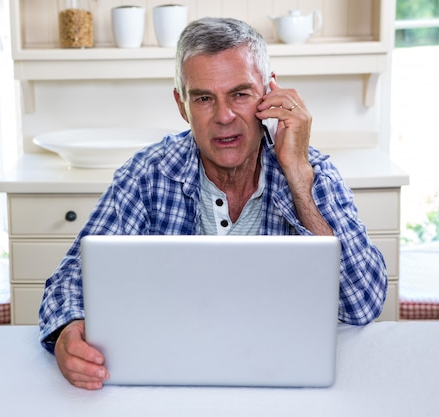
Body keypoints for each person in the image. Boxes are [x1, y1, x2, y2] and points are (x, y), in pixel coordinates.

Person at [38, 17, 387, 390]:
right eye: (204, 98)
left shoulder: (309, 168)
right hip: (170, 376)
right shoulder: (148, 173)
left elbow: (362, 303)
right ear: (181, 104)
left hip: (281, 378)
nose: (224, 117)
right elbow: (72, 276)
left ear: (269, 92)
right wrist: (69, 330)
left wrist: (299, 179)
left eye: (240, 93)